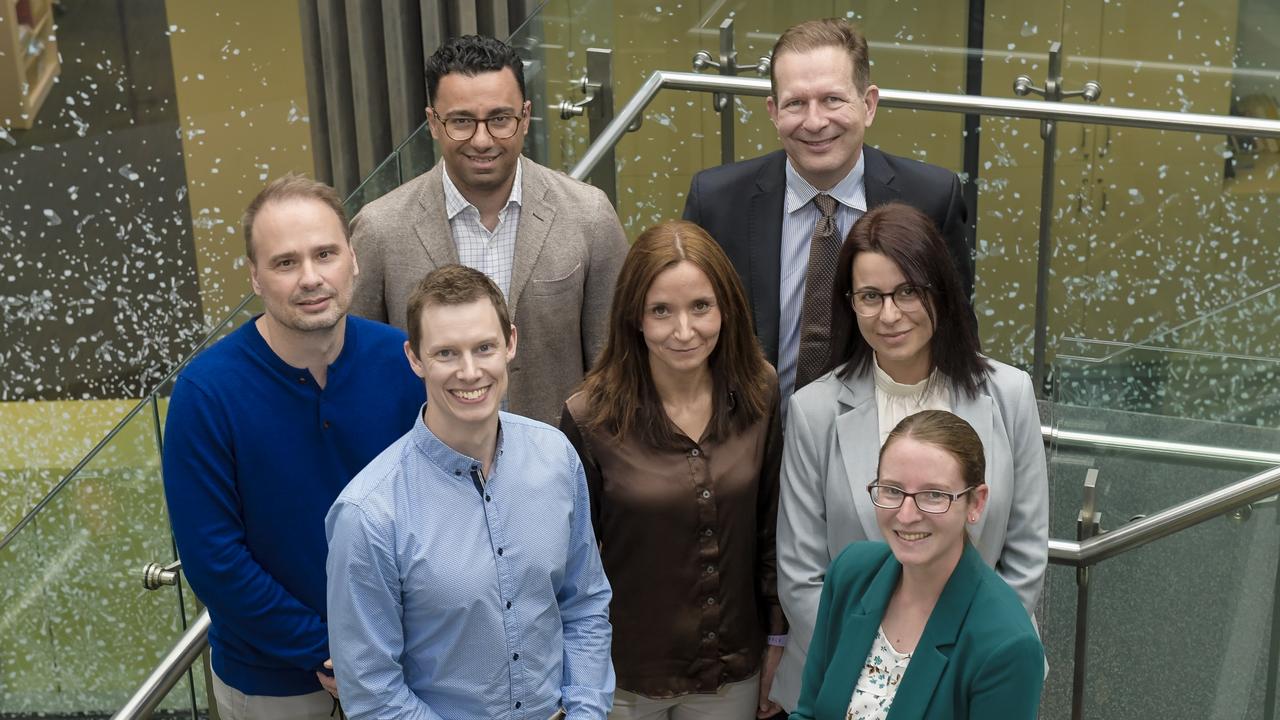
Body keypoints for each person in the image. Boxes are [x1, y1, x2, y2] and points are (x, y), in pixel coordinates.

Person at [161, 174, 424, 719]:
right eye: (285, 263)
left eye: (325, 253)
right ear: (255, 277)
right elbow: (213, 559)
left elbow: (441, 508)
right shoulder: (205, 393)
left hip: (407, 663)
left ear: (353, 259)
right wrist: (327, 651)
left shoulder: (406, 360)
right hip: (272, 686)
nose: (311, 278)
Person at [773, 202, 1047, 711]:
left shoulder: (1009, 394)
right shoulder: (814, 410)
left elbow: (1025, 553)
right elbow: (801, 571)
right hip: (839, 677)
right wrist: (863, 662)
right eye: (871, 296)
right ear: (850, 304)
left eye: (908, 292)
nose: (890, 314)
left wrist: (954, 656)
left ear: (939, 290)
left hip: (973, 674)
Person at [327, 264, 615, 720]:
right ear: (415, 358)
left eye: (484, 348)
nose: (469, 371)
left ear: (511, 344)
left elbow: (585, 605)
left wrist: (585, 711)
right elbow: (372, 690)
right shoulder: (368, 513)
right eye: (446, 353)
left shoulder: (556, 457)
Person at [560, 220, 786, 719]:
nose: (684, 331)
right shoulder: (588, 416)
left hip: (729, 675)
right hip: (623, 679)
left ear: (726, 307)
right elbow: (569, 567)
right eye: (661, 311)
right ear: (634, 318)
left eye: (701, 307)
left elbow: (771, 531)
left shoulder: (760, 392)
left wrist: (777, 638)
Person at [683, 18, 970, 405]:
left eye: (832, 99)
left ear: (868, 105)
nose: (815, 122)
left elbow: (957, 334)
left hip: (888, 440)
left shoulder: (932, 197)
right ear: (773, 111)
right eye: (796, 103)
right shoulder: (716, 201)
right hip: (752, 440)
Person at [349, 34, 629, 426]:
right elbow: (361, 375)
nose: (482, 140)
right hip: (427, 470)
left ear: (526, 117)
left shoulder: (589, 216)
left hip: (559, 467)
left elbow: (615, 365)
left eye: (500, 119)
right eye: (461, 121)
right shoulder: (380, 229)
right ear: (433, 122)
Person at [793, 410, 1044, 719]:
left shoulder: (1008, 645)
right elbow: (808, 712)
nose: (907, 514)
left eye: (933, 495)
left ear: (976, 503)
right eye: (892, 490)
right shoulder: (851, 573)